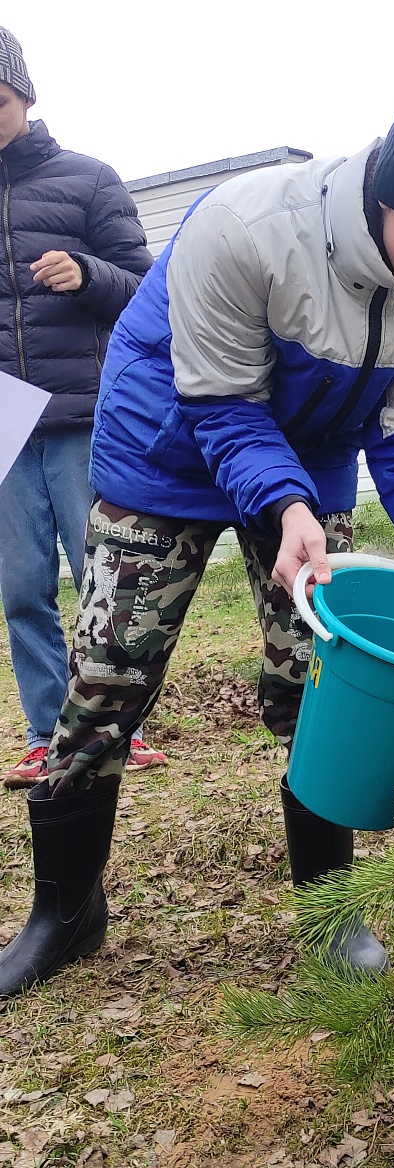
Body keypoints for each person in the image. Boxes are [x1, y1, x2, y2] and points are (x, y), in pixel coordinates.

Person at [0, 87, 394, 999]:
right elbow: (222, 402)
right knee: (108, 672)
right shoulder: (244, 228)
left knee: (316, 671)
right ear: (388, 197)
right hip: (171, 438)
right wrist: (283, 507)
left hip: (311, 444)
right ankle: (65, 911)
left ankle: (330, 908)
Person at [0, 28, 164, 789]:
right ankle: (45, 734)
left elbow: (145, 286)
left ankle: (111, 729)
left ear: (26, 97)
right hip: (5, 415)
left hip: (79, 412)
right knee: (21, 585)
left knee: (104, 578)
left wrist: (84, 273)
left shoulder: (89, 180)